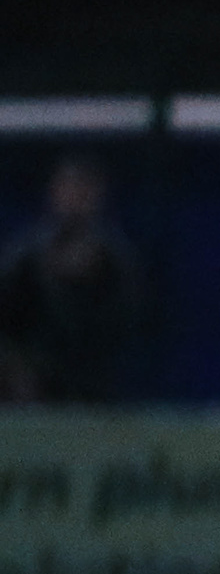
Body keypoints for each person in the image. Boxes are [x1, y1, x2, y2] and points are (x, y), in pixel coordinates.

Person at [0, 156, 147, 404]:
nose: (76, 198)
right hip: (32, 386)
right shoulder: (24, 259)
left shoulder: (115, 261)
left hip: (96, 387)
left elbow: (130, 324)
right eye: (69, 187)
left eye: (85, 189)